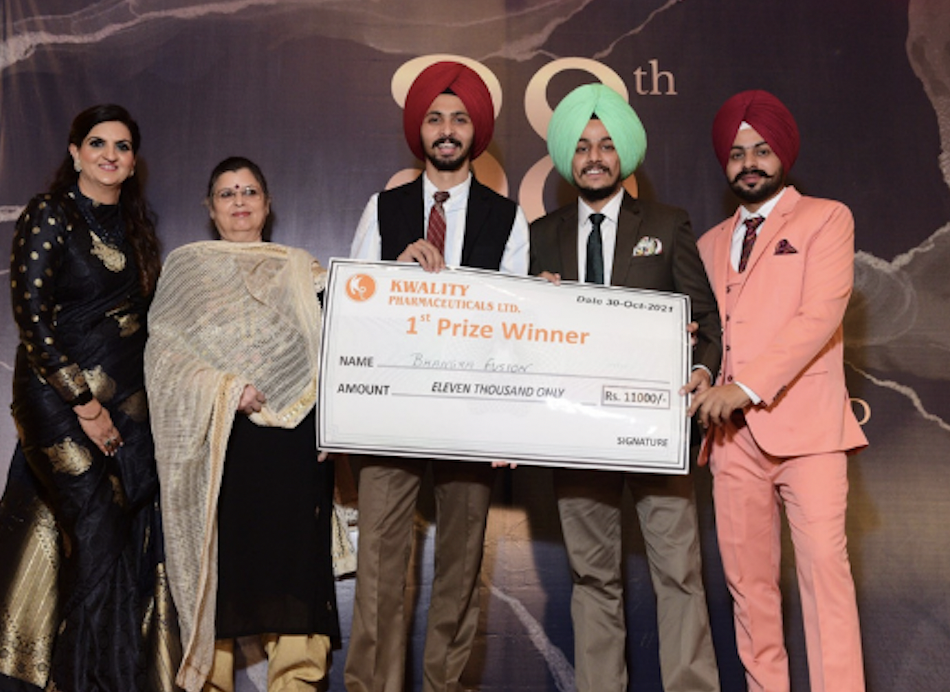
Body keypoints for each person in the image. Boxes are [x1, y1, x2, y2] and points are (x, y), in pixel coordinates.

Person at [529, 83, 722, 692]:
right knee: (592, 580)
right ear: (568, 156)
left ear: (625, 155)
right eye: (583, 146)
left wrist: (701, 370)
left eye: (607, 145)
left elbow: (705, 320)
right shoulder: (539, 235)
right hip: (577, 432)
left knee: (679, 574)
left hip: (655, 427)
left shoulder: (666, 223)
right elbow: (519, 338)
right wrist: (536, 302)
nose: (594, 157)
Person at [345, 61, 529, 692]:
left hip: (470, 417)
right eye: (434, 118)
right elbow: (352, 309)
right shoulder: (383, 208)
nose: (447, 130)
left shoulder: (508, 218)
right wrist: (392, 274)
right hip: (389, 411)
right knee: (378, 565)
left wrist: (506, 420)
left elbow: (515, 329)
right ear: (418, 131)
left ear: (475, 131)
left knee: (460, 565)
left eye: (459, 119)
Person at [688, 90, 868, 692]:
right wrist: (704, 372)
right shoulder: (708, 243)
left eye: (761, 150)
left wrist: (744, 387)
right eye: (737, 153)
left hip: (810, 432)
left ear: (783, 153)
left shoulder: (827, 218)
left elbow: (818, 317)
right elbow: (708, 334)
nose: (750, 164)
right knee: (749, 589)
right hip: (730, 441)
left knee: (825, 579)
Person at [144, 157, 340, 692]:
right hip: (221, 443)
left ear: (267, 205)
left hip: (295, 446)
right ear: (210, 209)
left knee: (296, 567)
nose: (239, 201)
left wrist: (336, 425)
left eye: (249, 191)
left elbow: (339, 350)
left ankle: (296, 681)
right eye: (227, 193)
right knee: (220, 567)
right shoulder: (188, 269)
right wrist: (227, 388)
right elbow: (164, 356)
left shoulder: (302, 270)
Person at [0, 104, 178, 691]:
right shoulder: (50, 214)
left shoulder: (133, 230)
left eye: (122, 146)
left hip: (125, 413)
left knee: (118, 546)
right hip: (58, 405)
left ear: (133, 162)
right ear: (75, 153)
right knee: (99, 534)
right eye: (97, 143)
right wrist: (86, 404)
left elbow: (147, 330)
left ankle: (105, 677)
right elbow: (31, 318)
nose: (110, 154)